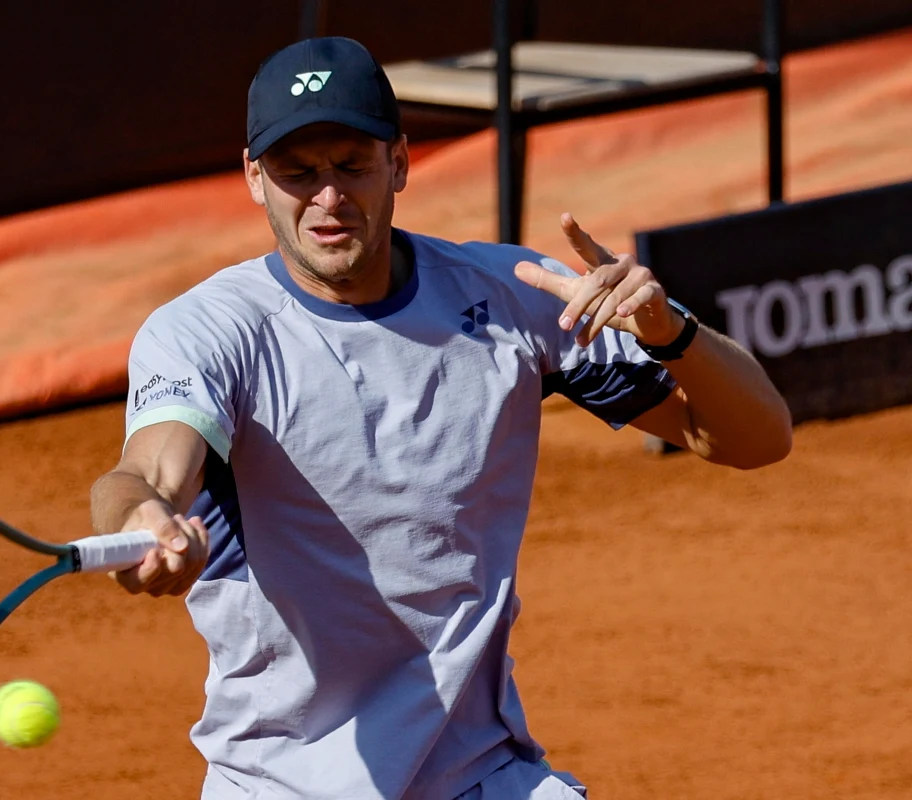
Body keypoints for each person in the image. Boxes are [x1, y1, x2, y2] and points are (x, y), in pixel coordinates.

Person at [90, 36, 792, 800]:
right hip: (282, 783)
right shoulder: (208, 332)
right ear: (255, 178)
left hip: (480, 773)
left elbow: (757, 439)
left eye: (351, 164)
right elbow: (144, 471)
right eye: (298, 172)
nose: (328, 197)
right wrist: (146, 520)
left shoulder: (512, 297)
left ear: (398, 162)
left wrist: (671, 334)